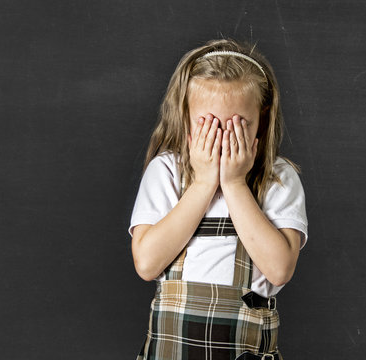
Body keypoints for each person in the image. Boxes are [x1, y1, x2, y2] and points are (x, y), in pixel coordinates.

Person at [128, 38, 308, 360]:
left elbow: (279, 269)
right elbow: (146, 263)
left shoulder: (277, 179)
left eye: (238, 126)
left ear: (261, 119)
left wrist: (236, 183)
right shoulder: (168, 171)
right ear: (185, 118)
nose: (224, 141)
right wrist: (203, 184)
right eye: (209, 126)